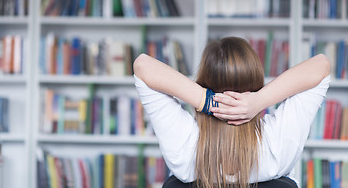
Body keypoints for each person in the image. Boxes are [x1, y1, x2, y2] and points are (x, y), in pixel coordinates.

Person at [133, 37, 330, 188]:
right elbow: (322, 65)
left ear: (202, 82)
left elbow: (142, 65)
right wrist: (259, 100)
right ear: (256, 83)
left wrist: (207, 100)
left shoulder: (186, 147)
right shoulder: (275, 145)